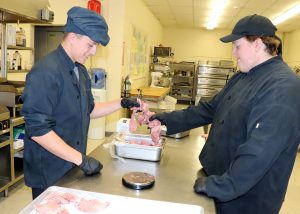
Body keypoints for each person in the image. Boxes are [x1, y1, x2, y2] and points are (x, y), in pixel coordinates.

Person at [150, 14, 300, 214]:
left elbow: (260, 151)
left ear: (257, 44)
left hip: (246, 198)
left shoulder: (283, 86)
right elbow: (209, 109)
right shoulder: (242, 76)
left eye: (237, 46)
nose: (234, 53)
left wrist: (219, 186)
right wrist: (162, 118)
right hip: (219, 180)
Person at [21, 6, 139, 199]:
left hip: (71, 164)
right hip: (50, 169)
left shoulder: (81, 72)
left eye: (96, 47)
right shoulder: (45, 72)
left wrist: (122, 102)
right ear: (73, 36)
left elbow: (89, 110)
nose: (93, 52)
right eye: (90, 45)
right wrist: (81, 160)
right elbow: (38, 131)